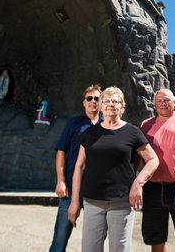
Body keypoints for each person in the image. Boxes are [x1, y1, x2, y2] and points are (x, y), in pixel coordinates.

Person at [68, 86, 159, 252]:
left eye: (115, 101)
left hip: (122, 202)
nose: (110, 104)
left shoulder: (132, 132)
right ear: (101, 106)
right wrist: (75, 201)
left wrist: (138, 183)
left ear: (122, 107)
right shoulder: (89, 133)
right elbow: (79, 166)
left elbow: (153, 160)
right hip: (92, 202)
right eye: (107, 101)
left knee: (120, 249)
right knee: (90, 249)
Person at [49, 84, 103, 252]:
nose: (93, 101)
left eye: (96, 98)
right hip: (72, 189)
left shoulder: (106, 124)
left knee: (95, 242)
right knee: (59, 241)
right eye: (89, 98)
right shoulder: (74, 123)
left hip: (97, 192)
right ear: (84, 102)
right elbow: (61, 152)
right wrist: (61, 181)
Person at [140, 89, 175, 252]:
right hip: (152, 188)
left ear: (174, 102)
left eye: (167, 100)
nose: (163, 103)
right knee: (156, 237)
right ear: (154, 104)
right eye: (159, 100)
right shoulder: (145, 125)